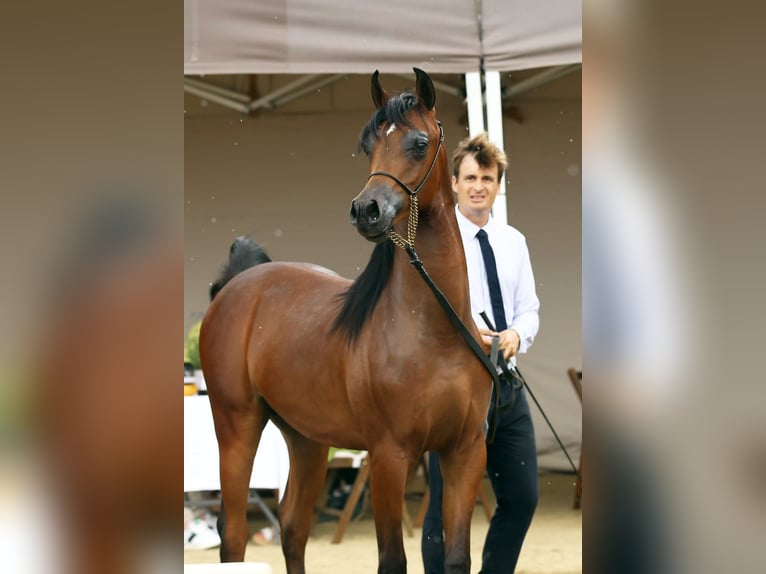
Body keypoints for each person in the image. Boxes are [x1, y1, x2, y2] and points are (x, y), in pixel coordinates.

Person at [421, 132, 540, 573]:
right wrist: (473, 331)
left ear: (497, 184)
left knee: (523, 496)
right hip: (452, 392)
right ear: (453, 183)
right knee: (446, 506)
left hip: (506, 385)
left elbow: (530, 309)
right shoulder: (435, 244)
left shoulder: (514, 241)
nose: (478, 186)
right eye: (469, 177)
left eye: (487, 178)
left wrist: (516, 335)